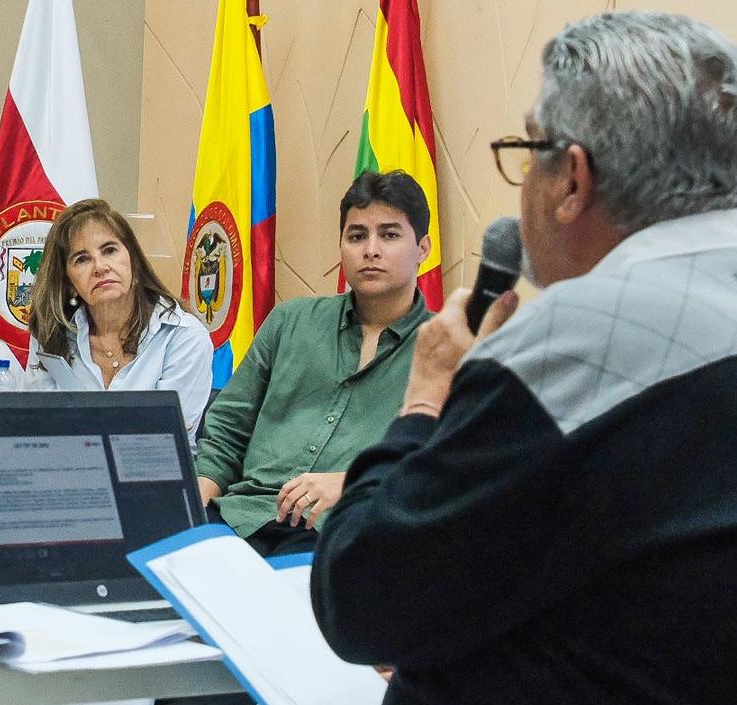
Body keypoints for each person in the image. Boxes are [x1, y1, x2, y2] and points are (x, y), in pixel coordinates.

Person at [312, 11, 737, 704]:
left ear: (571, 178)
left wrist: (423, 401)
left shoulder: (583, 338)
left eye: (526, 150)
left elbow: (361, 599)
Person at [194, 170, 433, 557]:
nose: (371, 250)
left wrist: (354, 482)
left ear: (423, 248)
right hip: (239, 519)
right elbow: (228, 425)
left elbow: (445, 466)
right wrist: (193, 509)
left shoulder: (445, 349)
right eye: (357, 236)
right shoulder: (291, 321)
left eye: (389, 235)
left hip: (345, 533)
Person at [24, 198, 211, 429]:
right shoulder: (52, 335)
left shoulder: (183, 336)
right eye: (82, 259)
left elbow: (165, 436)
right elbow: (38, 428)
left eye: (109, 250)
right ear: (69, 282)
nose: (100, 267)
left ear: (133, 260)